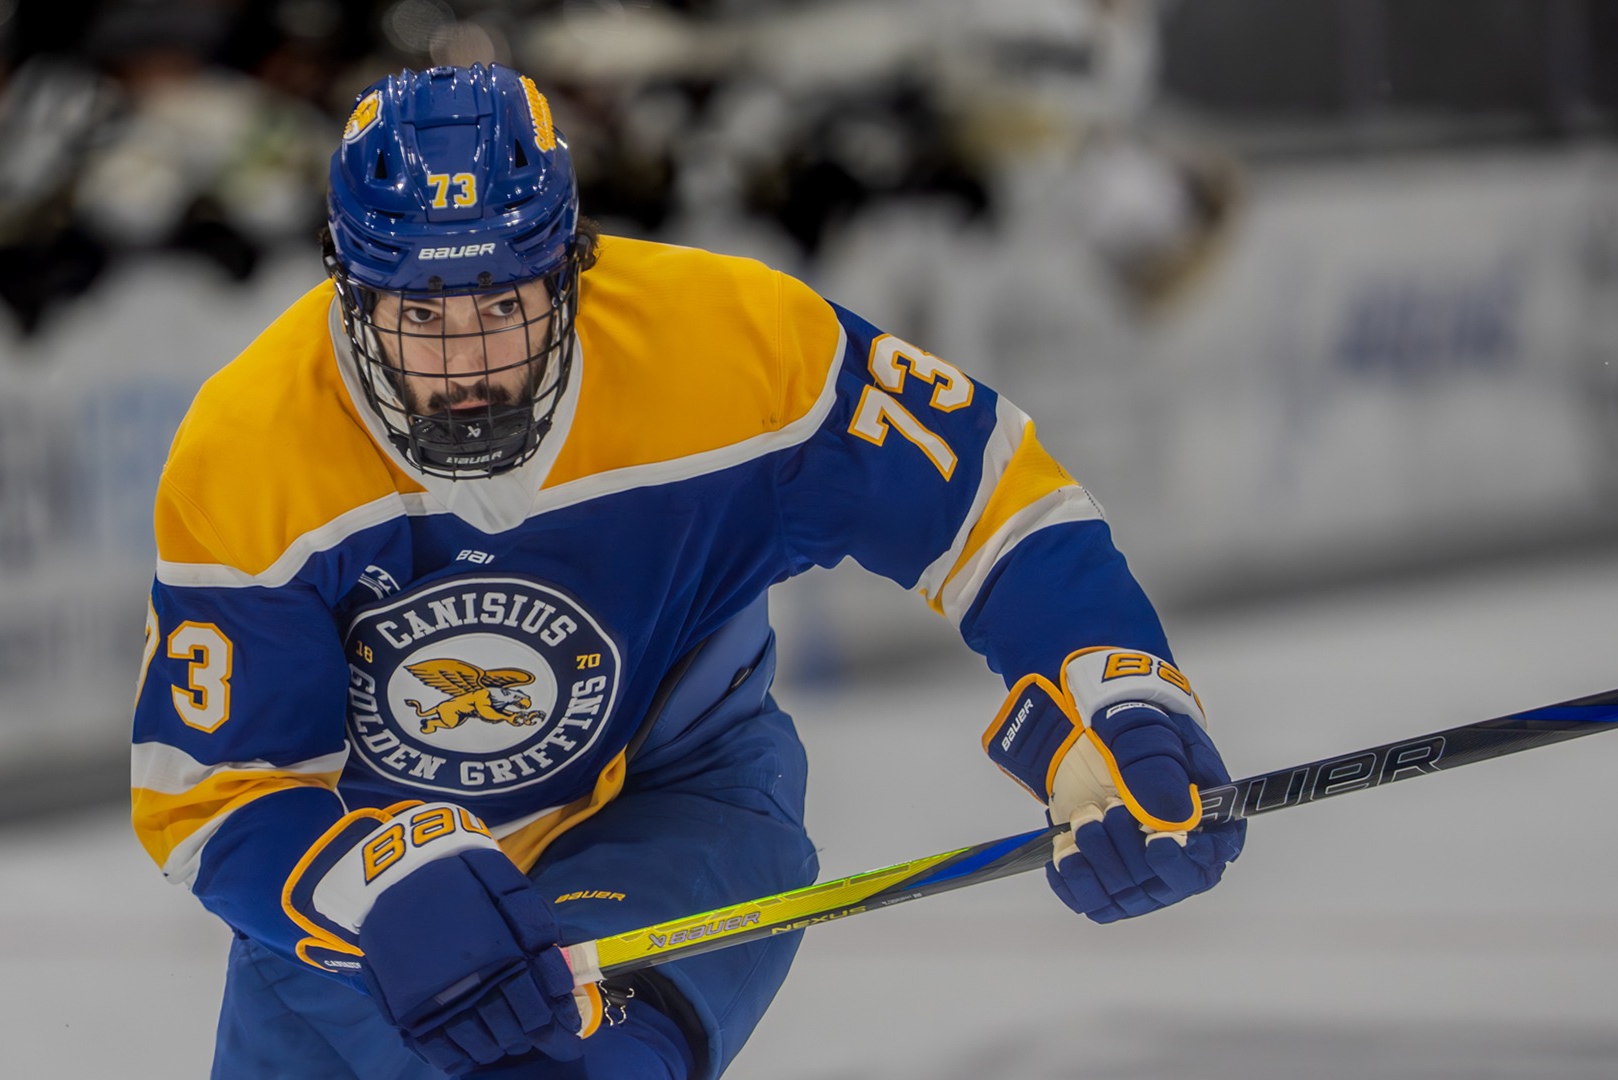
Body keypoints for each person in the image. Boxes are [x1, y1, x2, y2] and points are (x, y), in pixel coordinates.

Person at [130, 63, 1246, 1080]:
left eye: (503, 308)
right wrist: (374, 888)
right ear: (351, 293)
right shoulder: (252, 448)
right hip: (374, 891)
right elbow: (216, 797)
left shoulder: (736, 347)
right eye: (421, 314)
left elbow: (988, 501)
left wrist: (1120, 697)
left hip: (673, 801)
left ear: (571, 269)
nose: (466, 367)